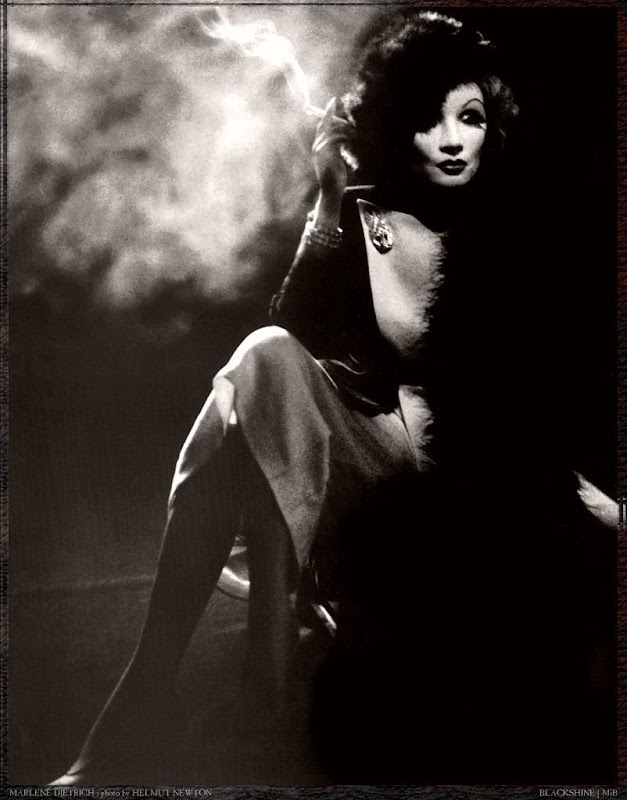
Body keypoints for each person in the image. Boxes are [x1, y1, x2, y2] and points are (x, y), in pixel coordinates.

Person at [51, 10, 617, 786]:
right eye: (426, 118)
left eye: (469, 117)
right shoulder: (368, 208)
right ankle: (177, 689)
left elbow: (533, 407)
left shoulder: (517, 224)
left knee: (255, 419)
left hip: (480, 468)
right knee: (261, 362)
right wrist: (327, 196)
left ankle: (179, 697)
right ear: (396, 124)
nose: (451, 139)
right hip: (373, 436)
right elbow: (294, 333)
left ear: (493, 125)